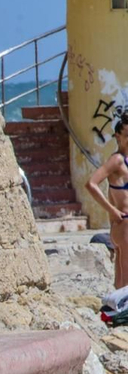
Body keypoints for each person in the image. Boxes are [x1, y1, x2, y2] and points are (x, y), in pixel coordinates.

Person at [85, 116, 128, 290]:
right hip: (124, 222)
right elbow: (91, 184)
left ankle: (117, 313)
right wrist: (111, 210)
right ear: (118, 136)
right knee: (126, 275)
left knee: (121, 271)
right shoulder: (116, 160)